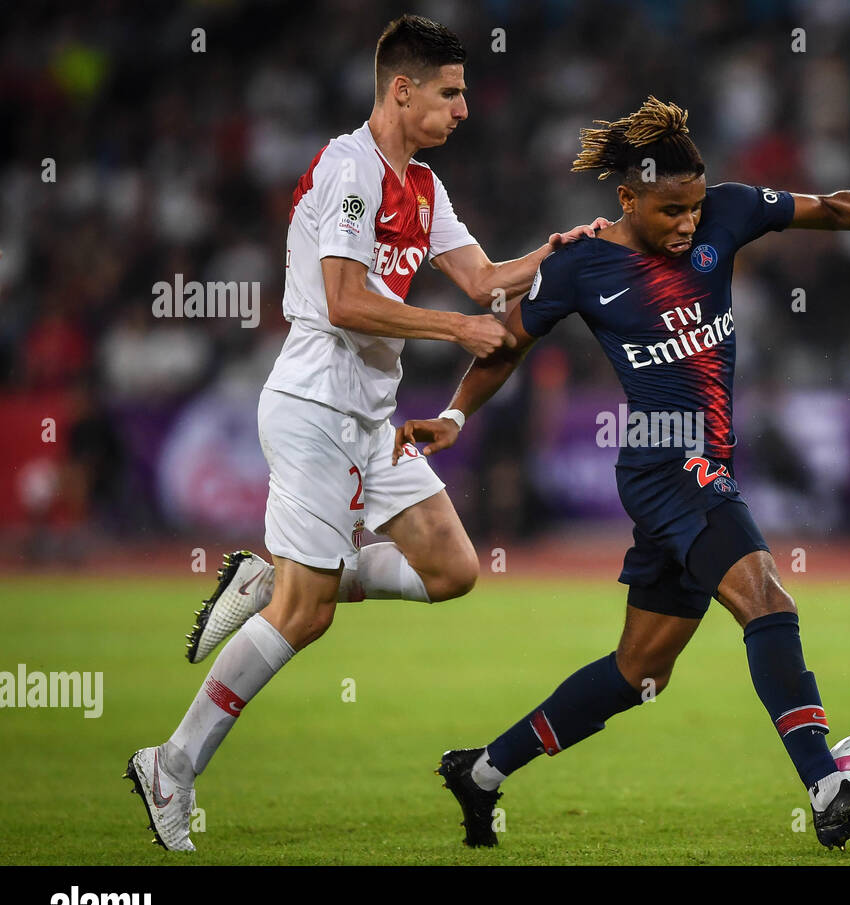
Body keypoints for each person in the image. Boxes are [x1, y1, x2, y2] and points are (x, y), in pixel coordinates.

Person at [395, 96, 850, 849]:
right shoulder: (580, 267)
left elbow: (831, 209)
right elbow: (509, 343)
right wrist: (453, 417)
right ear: (627, 198)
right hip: (662, 459)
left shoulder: (730, 210)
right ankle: (826, 787)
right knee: (767, 599)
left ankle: (481, 771)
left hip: (706, 462)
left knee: (638, 672)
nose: (688, 223)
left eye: (694, 207)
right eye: (670, 210)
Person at [124, 14, 604, 852]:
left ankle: (270, 581)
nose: (464, 110)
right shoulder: (352, 170)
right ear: (402, 89)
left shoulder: (422, 184)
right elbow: (344, 299)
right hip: (314, 407)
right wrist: (456, 331)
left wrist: (556, 253)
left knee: (452, 569)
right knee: (306, 618)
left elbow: (486, 280)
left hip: (369, 419)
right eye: (451, 95)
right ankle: (172, 762)